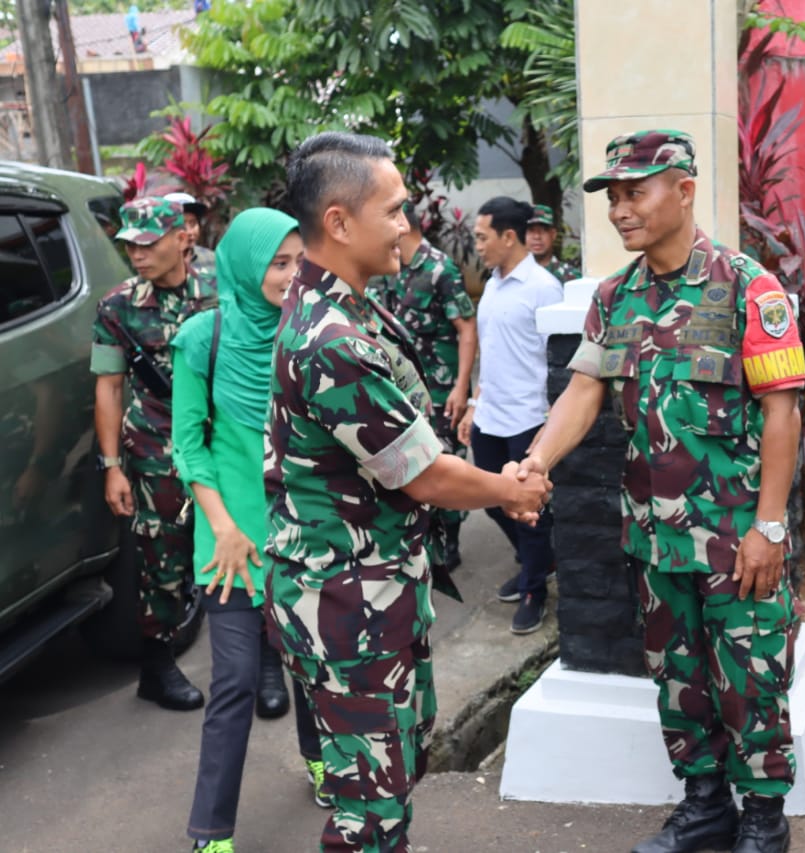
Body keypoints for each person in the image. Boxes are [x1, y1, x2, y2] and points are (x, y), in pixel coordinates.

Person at [516, 130, 804, 853]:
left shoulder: (747, 287)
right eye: (612, 197)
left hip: (737, 535)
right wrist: (536, 461)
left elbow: (783, 411)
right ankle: (705, 804)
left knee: (750, 675)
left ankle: (763, 818)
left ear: (683, 189)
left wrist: (769, 525)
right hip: (654, 535)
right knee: (678, 676)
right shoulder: (615, 297)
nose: (620, 210)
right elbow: (583, 392)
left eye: (634, 192)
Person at [265, 131, 550, 853]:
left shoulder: (347, 304)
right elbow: (421, 472)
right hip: (347, 608)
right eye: (392, 210)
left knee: (388, 778)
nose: (406, 225)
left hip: (367, 595)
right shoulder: (330, 338)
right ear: (337, 221)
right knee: (370, 812)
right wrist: (509, 489)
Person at [172, 208, 327, 853]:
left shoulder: (312, 332)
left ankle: (320, 761)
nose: (292, 276)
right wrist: (223, 527)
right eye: (278, 262)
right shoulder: (201, 339)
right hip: (229, 543)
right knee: (234, 682)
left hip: (304, 538)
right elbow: (188, 447)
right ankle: (211, 833)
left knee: (314, 668)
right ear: (243, 264)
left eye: (300, 262)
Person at [92, 196, 217, 712]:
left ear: (182, 238)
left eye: (147, 243)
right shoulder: (117, 306)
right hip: (153, 450)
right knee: (160, 559)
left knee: (247, 546)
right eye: (129, 245)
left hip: (217, 442)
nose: (136, 254)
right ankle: (157, 665)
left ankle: (268, 664)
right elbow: (108, 387)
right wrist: (112, 467)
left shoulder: (219, 293)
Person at [455, 196, 562, 635]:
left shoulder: (543, 288)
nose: (477, 245)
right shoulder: (494, 285)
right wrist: (475, 404)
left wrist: (551, 424)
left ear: (509, 237)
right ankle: (541, 561)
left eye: (482, 237)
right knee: (492, 500)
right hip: (491, 416)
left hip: (529, 418)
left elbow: (557, 362)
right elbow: (493, 354)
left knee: (528, 511)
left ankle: (535, 589)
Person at [367, 202, 478, 572]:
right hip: (406, 392)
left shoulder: (439, 269)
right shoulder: (390, 269)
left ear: (405, 225)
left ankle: (451, 544)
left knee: (444, 463)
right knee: (413, 465)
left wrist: (463, 387)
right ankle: (424, 541)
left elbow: (466, 329)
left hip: (442, 388)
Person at [165, 191, 217, 285]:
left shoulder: (212, 259)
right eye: (181, 225)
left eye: (193, 224)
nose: (189, 232)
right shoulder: (156, 263)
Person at [525, 203, 580, 284]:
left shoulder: (570, 276)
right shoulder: (514, 275)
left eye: (543, 230)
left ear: (553, 234)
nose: (537, 236)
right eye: (531, 230)